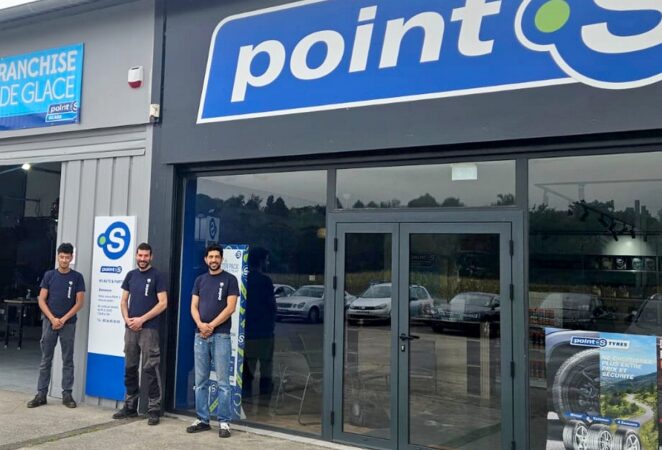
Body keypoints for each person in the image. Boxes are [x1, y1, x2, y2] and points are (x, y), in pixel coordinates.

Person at [111, 243, 168, 425]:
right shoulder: (131, 275)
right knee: (130, 367)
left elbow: (163, 303)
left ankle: (154, 409)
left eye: (146, 256)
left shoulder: (157, 276)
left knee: (151, 368)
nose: (142, 259)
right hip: (130, 329)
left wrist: (142, 319)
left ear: (151, 257)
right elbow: (123, 301)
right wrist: (127, 319)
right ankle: (130, 406)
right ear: (136, 256)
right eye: (140, 255)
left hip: (149, 329)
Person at [186, 244, 239, 438]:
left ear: (222, 259)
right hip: (200, 335)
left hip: (221, 335)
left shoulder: (230, 279)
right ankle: (202, 419)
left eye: (217, 257)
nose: (214, 260)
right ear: (206, 259)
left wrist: (211, 326)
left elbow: (230, 308)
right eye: (211, 257)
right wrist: (201, 325)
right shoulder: (199, 280)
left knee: (223, 382)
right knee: (201, 381)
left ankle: (224, 422)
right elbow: (193, 306)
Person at [27, 243, 85, 409]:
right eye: (62, 257)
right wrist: (52, 318)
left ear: (72, 258)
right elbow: (41, 299)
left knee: (68, 360)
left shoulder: (77, 277)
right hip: (49, 323)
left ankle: (67, 394)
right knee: (46, 360)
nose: (64, 260)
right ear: (58, 257)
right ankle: (41, 394)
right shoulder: (49, 275)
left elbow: (79, 302)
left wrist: (63, 319)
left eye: (67, 257)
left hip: (68, 324)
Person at [242, 247, 276, 413]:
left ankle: (245, 407)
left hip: (247, 334)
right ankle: (263, 409)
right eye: (267, 260)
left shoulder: (244, 280)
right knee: (266, 372)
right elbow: (272, 307)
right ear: (261, 261)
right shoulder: (265, 281)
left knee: (247, 373)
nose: (268, 263)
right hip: (264, 335)